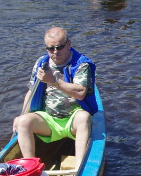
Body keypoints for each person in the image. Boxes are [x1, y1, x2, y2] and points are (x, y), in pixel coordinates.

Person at [12, 27, 97, 167]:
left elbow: (81, 93)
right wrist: (22, 115)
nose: (55, 52)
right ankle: (31, 168)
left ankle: (79, 168)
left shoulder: (81, 64)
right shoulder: (41, 63)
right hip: (49, 119)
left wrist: (54, 81)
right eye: (51, 49)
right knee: (23, 122)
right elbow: (31, 92)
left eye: (60, 47)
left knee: (84, 117)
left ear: (69, 44)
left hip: (73, 120)